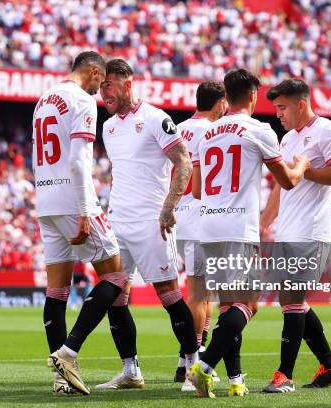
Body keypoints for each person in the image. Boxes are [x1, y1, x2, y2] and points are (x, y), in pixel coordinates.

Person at [187, 69, 309, 398]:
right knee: (249, 304)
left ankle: (235, 380)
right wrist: (302, 165)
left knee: (229, 307)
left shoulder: (207, 134)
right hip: (238, 226)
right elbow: (287, 181)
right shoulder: (259, 130)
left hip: (208, 225)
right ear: (254, 96)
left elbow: (196, 190)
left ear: (226, 97)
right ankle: (204, 367)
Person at [96, 58, 199, 390]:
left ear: (127, 83)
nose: (103, 92)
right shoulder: (108, 127)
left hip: (151, 220)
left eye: (108, 84)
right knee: (116, 295)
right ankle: (130, 370)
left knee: (167, 292)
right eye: (100, 87)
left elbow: (183, 161)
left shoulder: (156, 118)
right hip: (118, 221)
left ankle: (193, 366)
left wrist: (169, 207)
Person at [36, 51, 128, 396]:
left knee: (56, 290)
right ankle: (68, 353)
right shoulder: (81, 102)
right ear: (92, 72)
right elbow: (76, 162)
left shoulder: (44, 99)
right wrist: (86, 210)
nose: (100, 89)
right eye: (100, 81)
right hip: (73, 200)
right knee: (116, 274)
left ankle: (61, 380)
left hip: (45, 200)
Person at [260, 78, 331, 392]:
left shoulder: (328, 131)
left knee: (293, 298)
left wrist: (305, 169)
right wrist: (264, 221)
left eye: (282, 107)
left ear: (301, 104)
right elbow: (280, 183)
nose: (278, 114)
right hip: (288, 227)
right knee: (290, 300)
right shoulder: (286, 140)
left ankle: (284, 375)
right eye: (275, 108)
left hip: (312, 229)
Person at [173, 80, 227, 392]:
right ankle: (194, 362)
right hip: (202, 218)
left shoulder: (177, 127)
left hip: (182, 216)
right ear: (219, 102)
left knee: (203, 293)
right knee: (200, 294)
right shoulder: (214, 131)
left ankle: (187, 358)